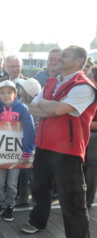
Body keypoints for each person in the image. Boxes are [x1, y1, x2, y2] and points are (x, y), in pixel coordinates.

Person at [20, 45, 97, 237]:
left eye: (64, 56)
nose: (59, 58)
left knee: (72, 199)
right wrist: (52, 106)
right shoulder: (52, 82)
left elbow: (54, 110)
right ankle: (37, 222)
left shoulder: (84, 85)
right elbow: (31, 108)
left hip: (67, 151)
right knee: (39, 191)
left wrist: (47, 105)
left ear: (79, 60)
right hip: (44, 146)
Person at [0, 80, 35, 222]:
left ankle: (10, 205)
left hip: (16, 154)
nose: (5, 95)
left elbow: (30, 131)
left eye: (9, 92)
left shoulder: (22, 108)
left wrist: (27, 152)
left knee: (11, 183)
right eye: (2, 92)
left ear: (15, 93)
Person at [15, 78, 41, 207]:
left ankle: (25, 196)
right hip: (32, 144)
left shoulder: (25, 107)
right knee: (31, 173)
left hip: (27, 145)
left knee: (26, 172)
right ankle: (33, 197)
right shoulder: (39, 107)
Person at [85, 66, 97, 208]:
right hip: (82, 139)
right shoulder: (88, 95)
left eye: (89, 75)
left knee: (91, 171)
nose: (86, 77)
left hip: (93, 143)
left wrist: (84, 122)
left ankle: (87, 202)